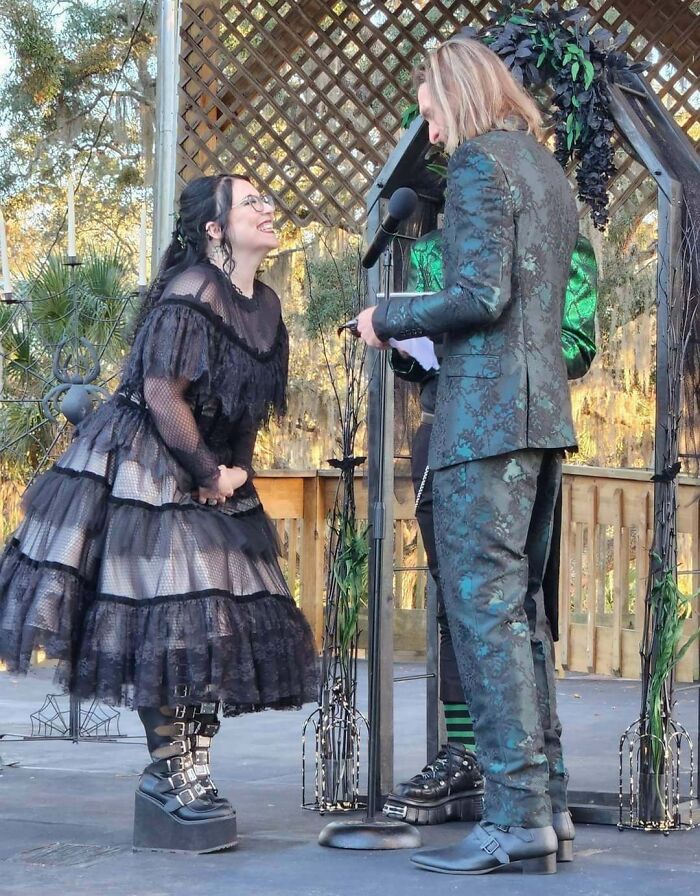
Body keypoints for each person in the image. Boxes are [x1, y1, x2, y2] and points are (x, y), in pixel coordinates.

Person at [0, 174, 318, 854]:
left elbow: (245, 407)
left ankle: (194, 767)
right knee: (174, 615)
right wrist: (205, 472)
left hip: (209, 466)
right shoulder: (193, 291)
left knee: (221, 618)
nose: (269, 208)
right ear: (215, 228)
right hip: (149, 462)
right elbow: (161, 391)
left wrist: (234, 475)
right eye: (252, 201)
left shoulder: (264, 305)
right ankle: (168, 770)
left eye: (270, 197)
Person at [356, 35, 579, 874]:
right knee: (519, 622)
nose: (434, 134)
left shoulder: (485, 164)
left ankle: (515, 818)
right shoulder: (545, 171)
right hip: (539, 420)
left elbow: (480, 296)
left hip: (486, 426)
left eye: (433, 113)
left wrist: (389, 320)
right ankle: (545, 812)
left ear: (457, 95)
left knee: (485, 622)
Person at [383, 231, 597, 833]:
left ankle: (533, 782)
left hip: (516, 427)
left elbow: (578, 345)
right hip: (444, 426)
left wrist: (497, 341)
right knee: (458, 602)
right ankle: (466, 754)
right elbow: (412, 358)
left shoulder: (562, 246)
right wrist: (410, 341)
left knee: (514, 606)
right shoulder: (429, 249)